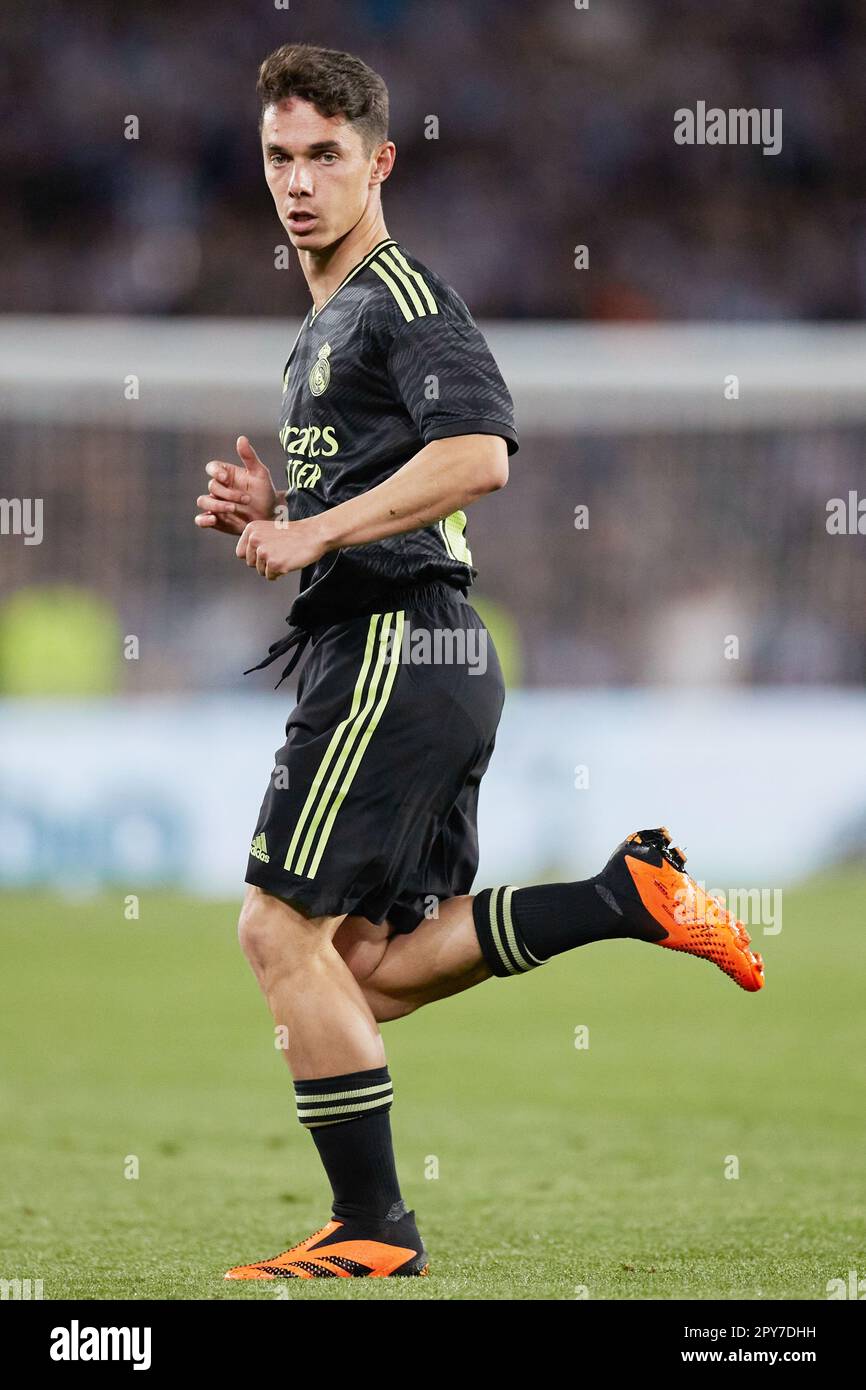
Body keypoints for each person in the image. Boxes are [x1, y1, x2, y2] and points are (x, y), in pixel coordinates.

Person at [195, 42, 764, 1282]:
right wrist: (279, 505)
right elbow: (388, 482)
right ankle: (624, 897)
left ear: (377, 162)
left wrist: (311, 528)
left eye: (324, 157)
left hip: (398, 647)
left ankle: (373, 1229)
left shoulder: (399, 298)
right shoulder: (322, 323)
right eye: (280, 157)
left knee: (275, 932)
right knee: (367, 971)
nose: (298, 182)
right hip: (422, 650)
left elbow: (479, 457)